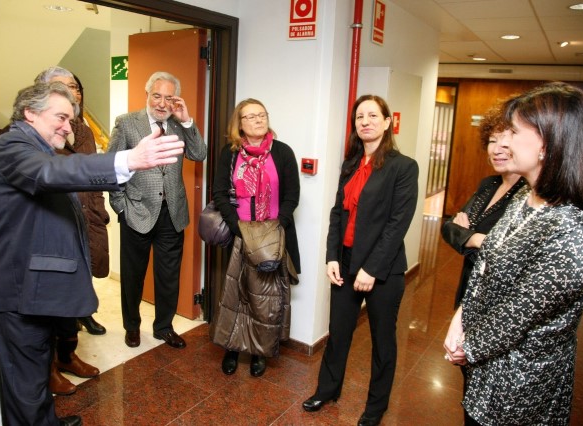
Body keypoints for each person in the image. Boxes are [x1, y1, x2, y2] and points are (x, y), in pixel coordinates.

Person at [0, 82, 184, 425]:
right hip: (20, 293)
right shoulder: (11, 147)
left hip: (37, 290)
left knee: (37, 376)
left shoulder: (36, 147)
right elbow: (53, 174)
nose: (67, 125)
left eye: (71, 118)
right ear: (31, 113)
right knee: (26, 388)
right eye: (60, 117)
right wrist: (128, 160)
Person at [443, 81, 583, 425]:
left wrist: (467, 347)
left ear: (549, 144)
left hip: (518, 385)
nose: (502, 143)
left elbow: (516, 314)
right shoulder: (524, 197)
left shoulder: (571, 232)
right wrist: (460, 317)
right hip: (484, 366)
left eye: (513, 133)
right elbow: (486, 261)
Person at [303, 94, 419, 426]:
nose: (364, 121)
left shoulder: (403, 166)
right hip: (346, 261)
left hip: (383, 269)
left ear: (387, 122)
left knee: (383, 341)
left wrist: (372, 268)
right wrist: (331, 257)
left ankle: (375, 408)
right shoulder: (351, 164)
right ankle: (327, 390)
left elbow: (399, 223)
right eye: (359, 117)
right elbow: (338, 213)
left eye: (372, 115)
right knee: (338, 332)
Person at [108, 71, 207, 349]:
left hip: (172, 214)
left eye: (169, 97)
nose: (162, 103)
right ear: (148, 94)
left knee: (168, 277)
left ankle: (163, 327)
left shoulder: (178, 125)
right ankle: (132, 327)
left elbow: (199, 154)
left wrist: (187, 120)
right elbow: (111, 167)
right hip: (136, 212)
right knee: (133, 277)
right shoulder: (127, 124)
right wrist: (121, 207)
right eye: (157, 96)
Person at [209, 98, 300, 378]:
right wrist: (239, 228)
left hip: (273, 238)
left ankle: (260, 352)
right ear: (239, 124)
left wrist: (273, 230)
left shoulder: (283, 152)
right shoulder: (231, 154)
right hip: (240, 234)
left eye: (262, 115)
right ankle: (232, 349)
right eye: (250, 117)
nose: (258, 120)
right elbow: (220, 193)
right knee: (237, 295)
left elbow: (292, 196)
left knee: (266, 298)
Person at [34, 66, 107, 397]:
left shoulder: (83, 129)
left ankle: (67, 356)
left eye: (75, 87)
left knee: (76, 296)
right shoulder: (33, 132)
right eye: (63, 88)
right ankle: (48, 367)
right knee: (51, 303)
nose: (72, 93)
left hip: (85, 222)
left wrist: (99, 212)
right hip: (54, 231)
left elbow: (91, 175)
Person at [441, 101, 526, 309]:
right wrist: (479, 239)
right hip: (469, 285)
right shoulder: (489, 184)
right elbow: (449, 227)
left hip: (500, 301)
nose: (497, 150)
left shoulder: (530, 195)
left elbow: (511, 254)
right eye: (492, 141)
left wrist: (469, 236)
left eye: (506, 144)